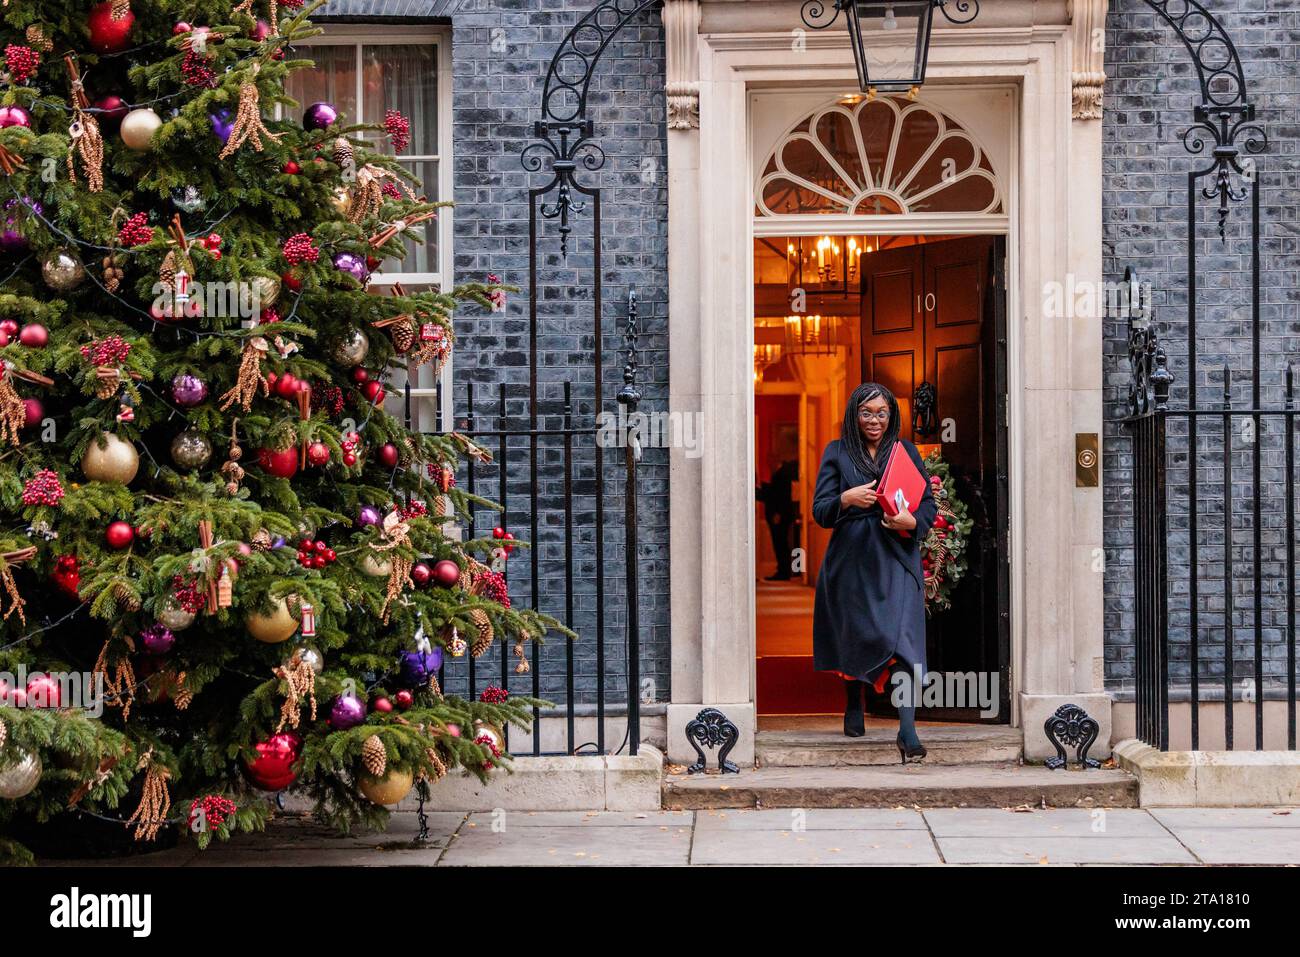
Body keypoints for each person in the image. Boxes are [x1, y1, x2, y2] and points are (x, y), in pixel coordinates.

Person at [811, 383, 937, 762]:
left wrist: (910, 519)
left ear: (891, 416)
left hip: (897, 554)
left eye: (882, 413)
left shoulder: (905, 451)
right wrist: (846, 500)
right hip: (853, 559)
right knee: (860, 634)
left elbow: (927, 504)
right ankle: (854, 700)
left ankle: (908, 732)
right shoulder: (837, 452)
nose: (875, 421)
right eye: (867, 413)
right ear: (854, 414)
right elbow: (821, 511)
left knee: (901, 640)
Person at [758, 451, 799, 581]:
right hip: (782, 513)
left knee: (780, 543)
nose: (769, 463)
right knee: (782, 543)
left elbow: (779, 496)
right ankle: (784, 570)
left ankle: (784, 571)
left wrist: (777, 513)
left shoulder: (782, 474)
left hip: (779, 514)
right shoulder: (783, 474)